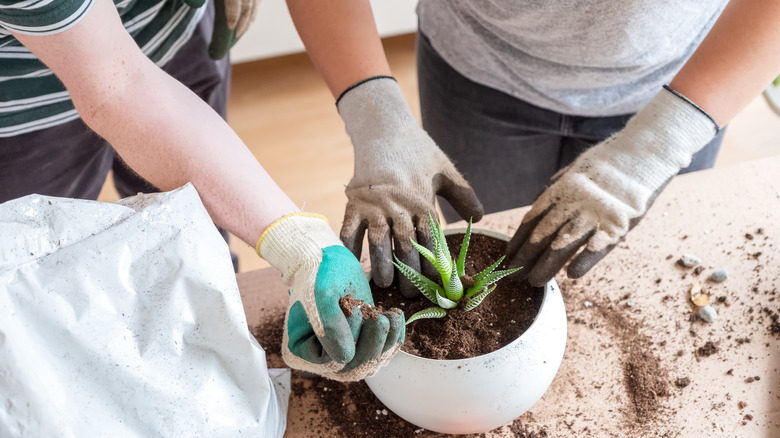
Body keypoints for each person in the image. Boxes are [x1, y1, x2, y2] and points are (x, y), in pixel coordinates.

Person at [0, 0, 402, 402]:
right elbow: (118, 87)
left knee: (200, 260)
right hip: (28, 101)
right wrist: (301, 246)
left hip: (172, 32)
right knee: (34, 294)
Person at [285, 0, 780, 290]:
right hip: (476, 70)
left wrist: (659, 144)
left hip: (683, 83)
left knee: (641, 272)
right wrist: (374, 115)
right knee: (492, 245)